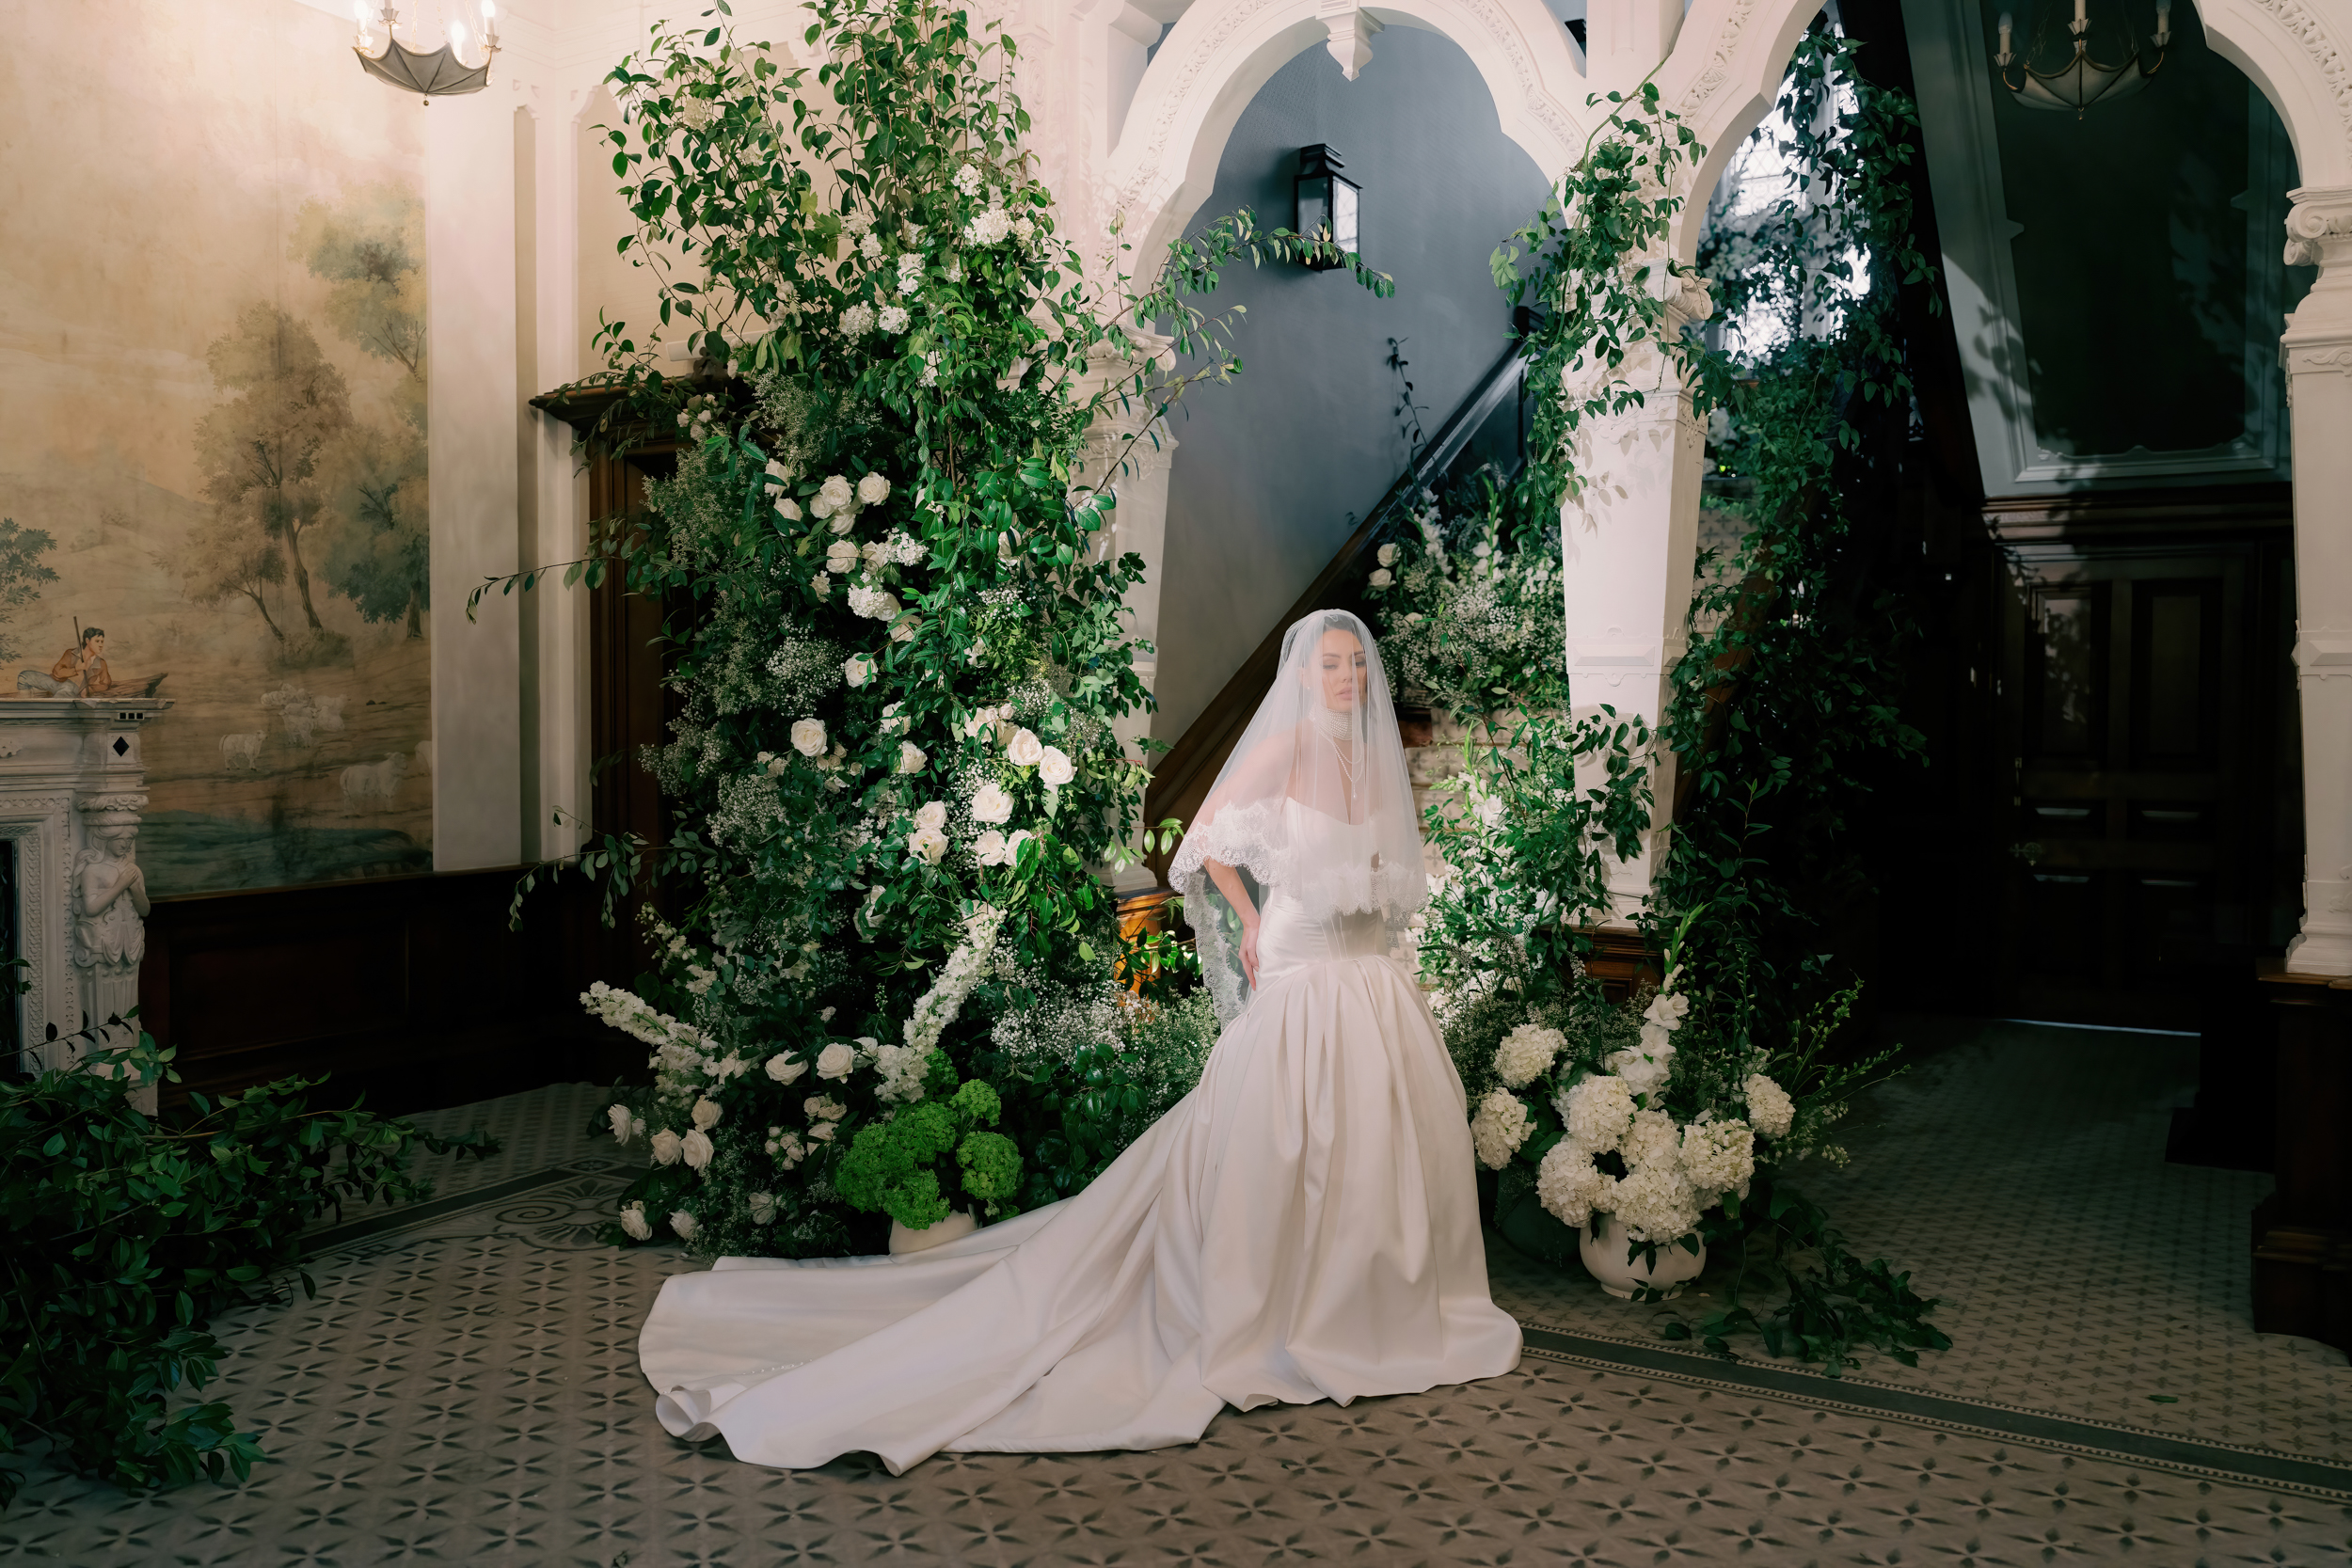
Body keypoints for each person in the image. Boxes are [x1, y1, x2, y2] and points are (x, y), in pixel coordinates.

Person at [637, 610, 1519, 1473]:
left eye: (1356, 667)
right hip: (1301, 963)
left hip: (1370, 980)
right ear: (1304, 675)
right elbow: (1209, 840)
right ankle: (1276, 1306)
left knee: (1372, 1148)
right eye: (1331, 665)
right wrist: (1249, 919)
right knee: (1286, 1138)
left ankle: (1364, 1303)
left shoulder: (1373, 758)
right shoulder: (1287, 746)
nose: (1346, 679)